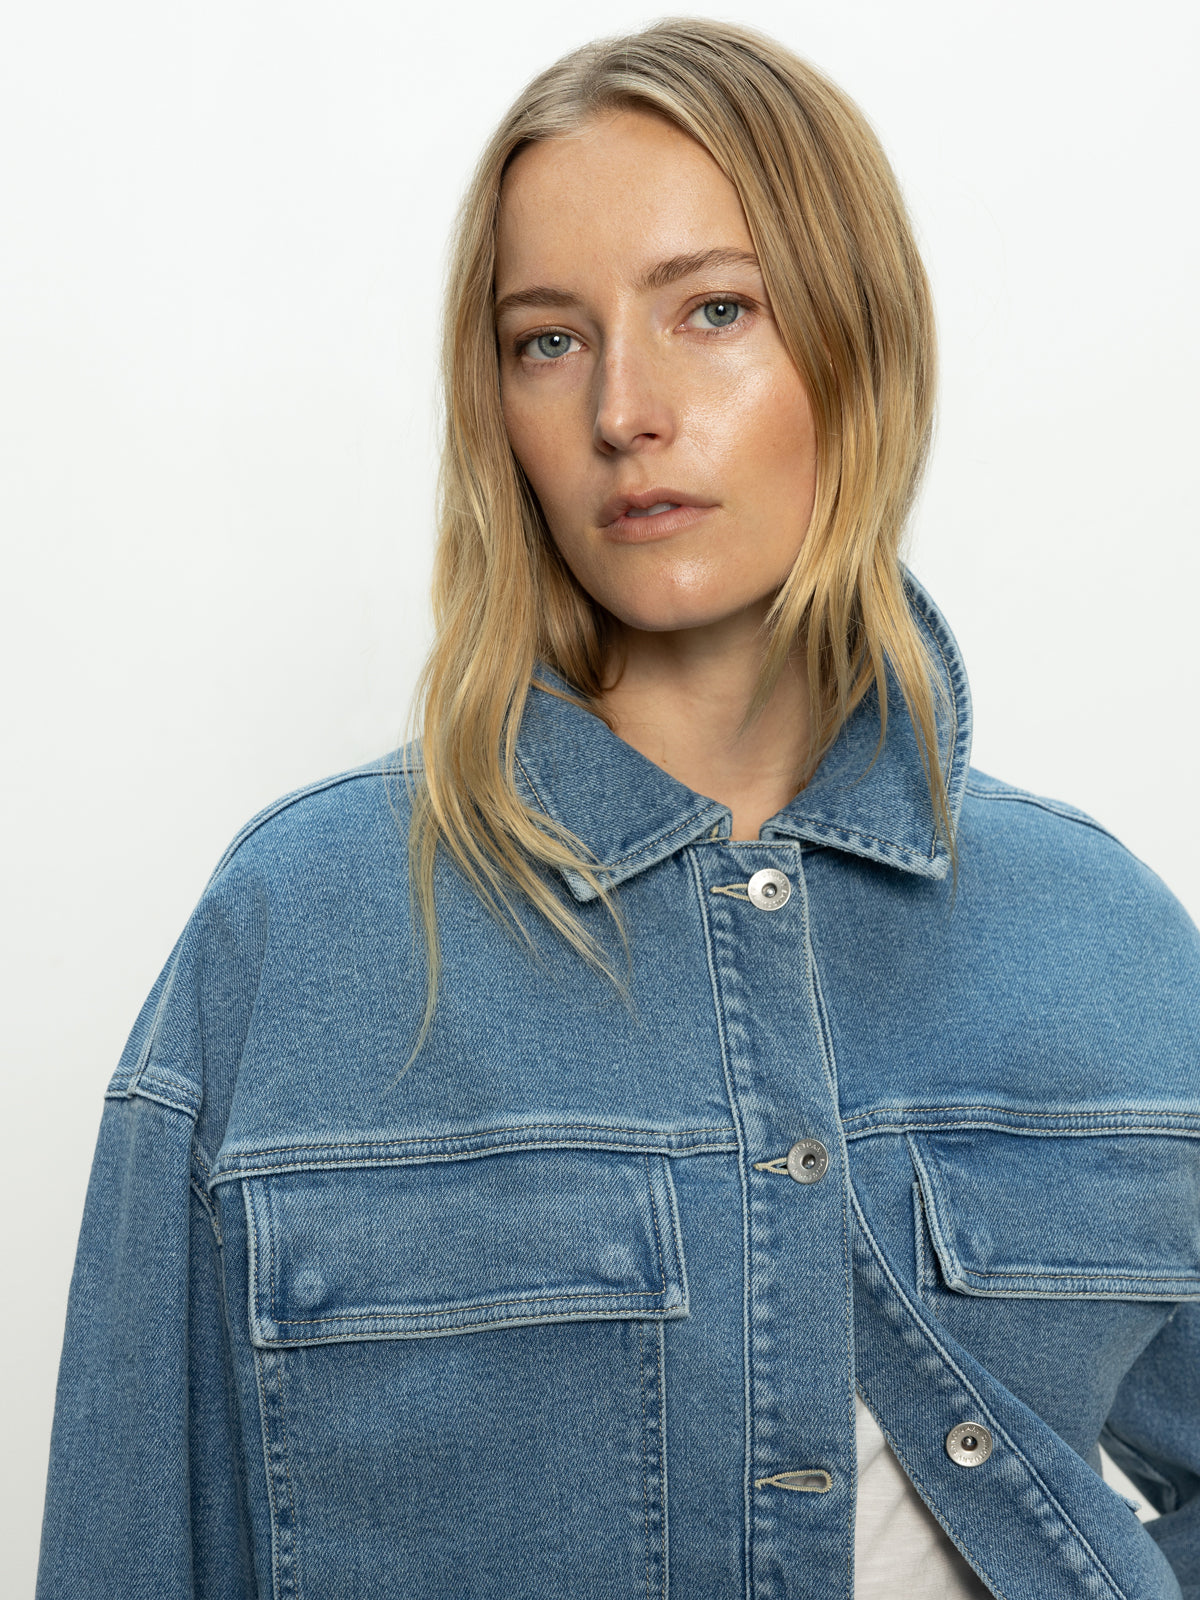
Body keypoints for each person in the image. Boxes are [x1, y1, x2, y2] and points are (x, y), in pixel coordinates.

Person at [36, 18, 1200, 1600]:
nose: (625, 411)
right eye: (547, 340)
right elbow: (131, 1552)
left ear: (860, 345)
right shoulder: (301, 933)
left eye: (713, 310)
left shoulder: (1103, 942)